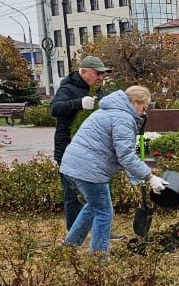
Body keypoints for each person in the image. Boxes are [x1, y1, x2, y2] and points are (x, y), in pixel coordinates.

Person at [60, 85, 165, 253]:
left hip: (73, 164)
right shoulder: (123, 118)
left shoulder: (112, 110)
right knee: (103, 212)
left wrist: (136, 177)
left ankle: (69, 246)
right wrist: (150, 177)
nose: (144, 113)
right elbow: (126, 156)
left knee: (93, 206)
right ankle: (99, 258)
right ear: (134, 102)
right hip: (89, 169)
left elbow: (122, 154)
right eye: (144, 107)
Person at [51, 54, 109, 230]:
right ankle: (73, 234)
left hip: (89, 149)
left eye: (102, 74)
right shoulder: (68, 88)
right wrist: (78, 103)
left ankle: (98, 227)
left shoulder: (93, 90)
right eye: (97, 73)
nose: (100, 77)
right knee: (73, 194)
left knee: (95, 193)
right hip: (67, 147)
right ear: (84, 72)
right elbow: (54, 108)